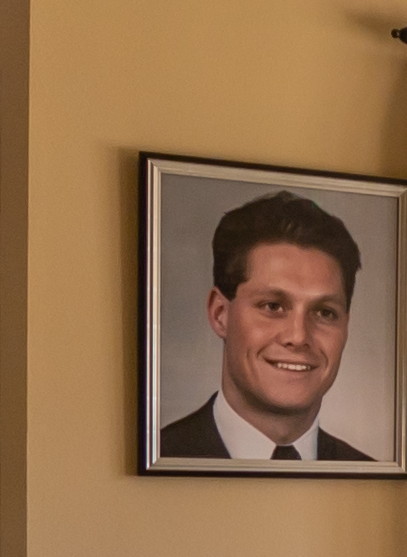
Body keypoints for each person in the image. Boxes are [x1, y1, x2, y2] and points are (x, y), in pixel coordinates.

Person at [160, 191, 377, 463]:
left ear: (346, 327)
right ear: (220, 315)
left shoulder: (368, 475)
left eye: (324, 312)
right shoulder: (162, 455)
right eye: (273, 306)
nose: (298, 337)